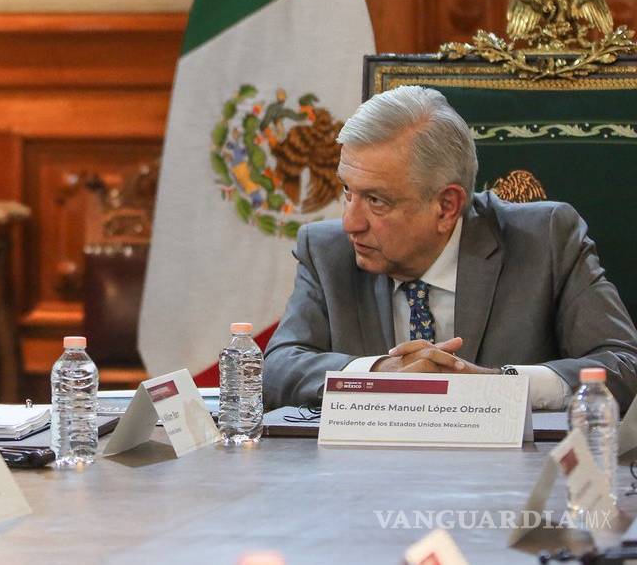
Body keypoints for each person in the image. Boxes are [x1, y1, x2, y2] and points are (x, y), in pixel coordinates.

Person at [263, 85, 637, 411]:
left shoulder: (545, 241)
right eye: (348, 190)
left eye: (376, 200)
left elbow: (624, 365)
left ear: (446, 207)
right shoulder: (328, 251)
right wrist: (378, 374)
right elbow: (275, 369)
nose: (350, 222)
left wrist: (498, 384)